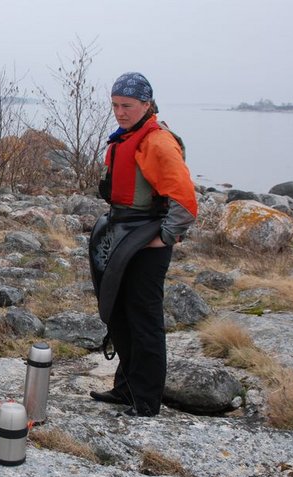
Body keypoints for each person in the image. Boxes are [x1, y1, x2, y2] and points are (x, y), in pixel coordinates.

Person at [88, 72, 198, 416]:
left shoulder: (157, 142)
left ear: (146, 105)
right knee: (119, 313)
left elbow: (185, 202)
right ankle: (126, 388)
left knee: (143, 316)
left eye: (128, 106)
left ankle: (147, 399)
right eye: (116, 105)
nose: (120, 112)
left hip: (145, 237)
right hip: (122, 230)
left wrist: (163, 237)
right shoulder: (125, 137)